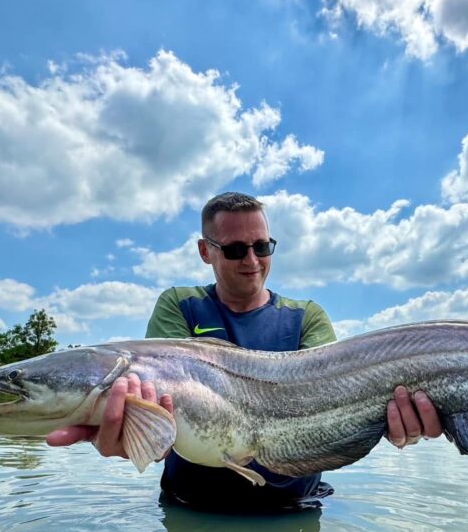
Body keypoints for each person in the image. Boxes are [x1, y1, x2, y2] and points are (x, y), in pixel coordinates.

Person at [46, 192, 442, 509]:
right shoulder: (180, 305)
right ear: (206, 251)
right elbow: (161, 410)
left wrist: (389, 421)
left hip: (293, 509)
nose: (252, 260)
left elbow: (334, 408)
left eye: (262, 246)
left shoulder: (305, 317)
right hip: (193, 508)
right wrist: (138, 435)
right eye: (236, 249)